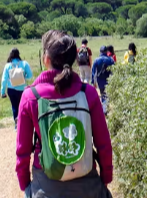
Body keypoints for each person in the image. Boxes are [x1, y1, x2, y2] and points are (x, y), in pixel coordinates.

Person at [16, 30, 113, 198]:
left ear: (46, 58)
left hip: (45, 185)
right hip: (87, 183)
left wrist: (25, 184)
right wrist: (105, 178)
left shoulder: (30, 96)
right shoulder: (88, 93)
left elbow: (22, 151)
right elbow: (103, 143)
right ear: (74, 59)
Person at [1, 48, 33, 129]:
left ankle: (16, 125)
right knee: (22, 106)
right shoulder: (24, 63)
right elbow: (30, 76)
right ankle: (23, 123)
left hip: (11, 89)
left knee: (14, 107)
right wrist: (24, 77)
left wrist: (2, 92)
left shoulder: (7, 65)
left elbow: (4, 79)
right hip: (22, 89)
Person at [91, 46, 115, 115]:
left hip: (100, 80)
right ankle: (105, 109)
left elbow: (93, 72)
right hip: (109, 80)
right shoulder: (110, 60)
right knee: (107, 94)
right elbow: (114, 70)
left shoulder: (96, 60)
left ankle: (104, 109)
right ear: (106, 52)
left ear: (100, 52)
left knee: (102, 93)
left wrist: (93, 82)